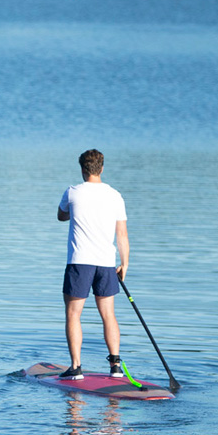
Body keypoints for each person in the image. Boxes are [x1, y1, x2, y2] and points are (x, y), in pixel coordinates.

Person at [56, 149, 129, 380]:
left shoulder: (72, 192)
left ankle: (76, 367)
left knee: (73, 314)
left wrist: (77, 211)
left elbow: (61, 216)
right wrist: (124, 263)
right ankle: (115, 366)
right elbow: (122, 234)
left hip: (80, 263)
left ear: (82, 169)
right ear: (102, 168)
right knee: (108, 315)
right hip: (106, 263)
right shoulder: (115, 195)